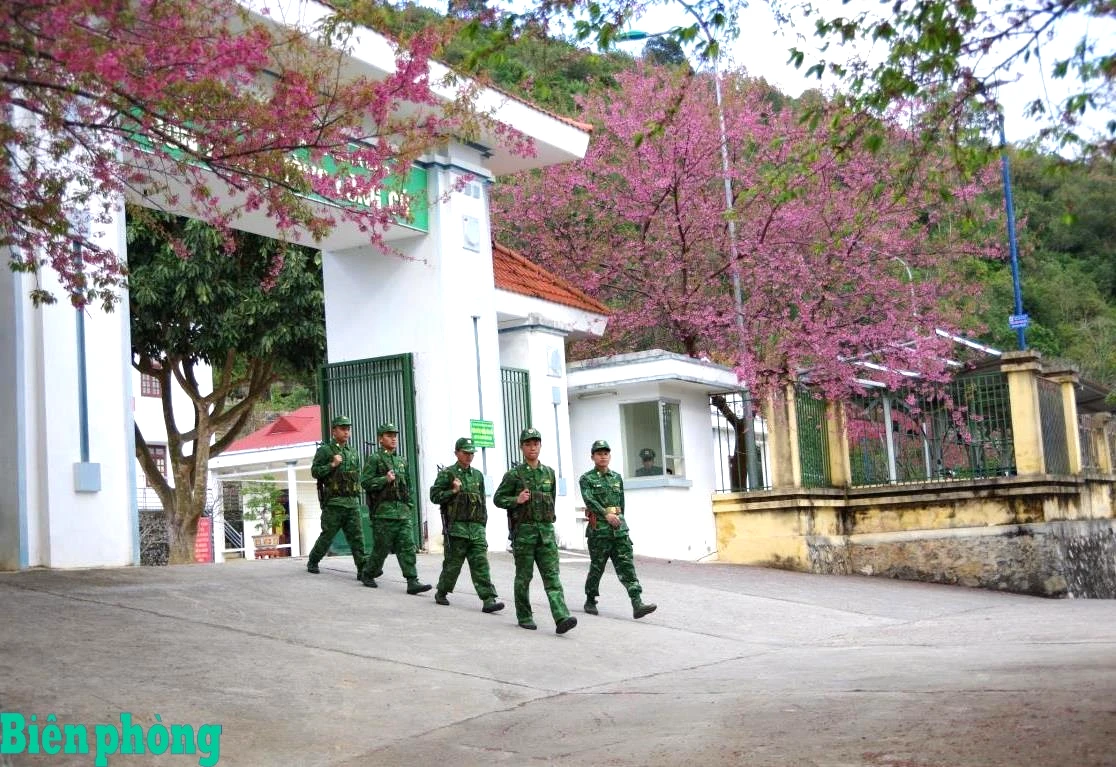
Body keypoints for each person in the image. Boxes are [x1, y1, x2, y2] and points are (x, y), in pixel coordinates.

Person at [494, 427, 577, 634]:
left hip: (546, 533)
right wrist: (516, 499)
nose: (532, 447)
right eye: (528, 444)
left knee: (552, 577)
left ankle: (561, 616)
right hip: (524, 534)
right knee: (524, 576)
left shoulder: (548, 473)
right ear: (522, 447)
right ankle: (524, 615)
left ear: (540, 445)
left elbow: (552, 500)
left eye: (536, 443)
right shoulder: (514, 475)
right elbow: (498, 499)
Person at [580, 440, 657, 619]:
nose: (603, 456)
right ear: (593, 457)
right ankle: (590, 599)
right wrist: (606, 515)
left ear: (609, 456)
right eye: (599, 453)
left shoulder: (616, 478)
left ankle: (637, 603)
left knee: (627, 566)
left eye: (606, 453)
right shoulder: (586, 479)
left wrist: (619, 520)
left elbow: (621, 503)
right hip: (599, 530)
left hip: (619, 529)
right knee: (597, 566)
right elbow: (589, 500)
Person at [429, 437, 505, 613]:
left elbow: (482, 502)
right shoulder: (448, 474)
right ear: (457, 453)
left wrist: (483, 525)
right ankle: (441, 591)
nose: (469, 456)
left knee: (481, 564)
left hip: (476, 529)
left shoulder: (477, 475)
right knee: (452, 565)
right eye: (466, 453)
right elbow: (435, 496)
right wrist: (453, 491)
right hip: (457, 529)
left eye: (471, 453)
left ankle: (489, 599)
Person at [360, 423, 431, 594]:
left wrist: (410, 505)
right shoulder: (375, 459)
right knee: (381, 548)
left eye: (395, 435)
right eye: (389, 435)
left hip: (402, 513)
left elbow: (408, 485)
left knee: (407, 546)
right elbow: (365, 482)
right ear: (380, 439)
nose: (393, 438)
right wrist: (384, 479)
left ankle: (412, 581)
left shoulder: (401, 461)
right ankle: (368, 573)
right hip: (383, 513)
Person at [307, 416, 369, 581]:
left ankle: (363, 569)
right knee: (327, 535)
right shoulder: (326, 451)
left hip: (352, 502)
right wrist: (332, 465)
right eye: (342, 428)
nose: (346, 432)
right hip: (334, 502)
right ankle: (313, 560)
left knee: (357, 537)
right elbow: (315, 472)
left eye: (348, 428)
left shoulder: (353, 452)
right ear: (334, 431)